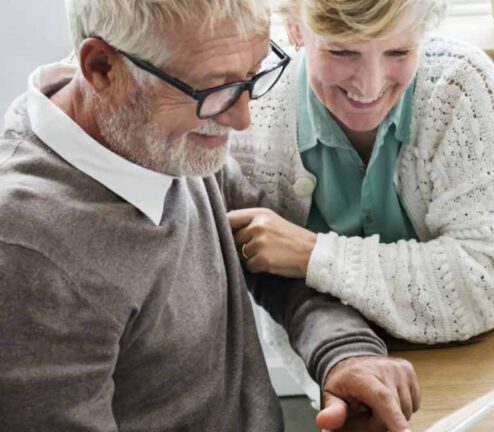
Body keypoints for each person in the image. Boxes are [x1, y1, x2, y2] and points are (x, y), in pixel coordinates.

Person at [0, 1, 419, 431]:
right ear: (102, 67)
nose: (241, 119)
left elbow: (280, 262)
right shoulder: (28, 258)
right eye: (213, 89)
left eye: (251, 75)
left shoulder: (160, 139)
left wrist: (347, 354)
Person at [227, 0, 494, 398]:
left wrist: (313, 254)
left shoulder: (460, 81)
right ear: (295, 30)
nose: (369, 86)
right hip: (352, 362)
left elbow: (492, 276)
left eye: (399, 52)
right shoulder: (249, 104)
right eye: (341, 51)